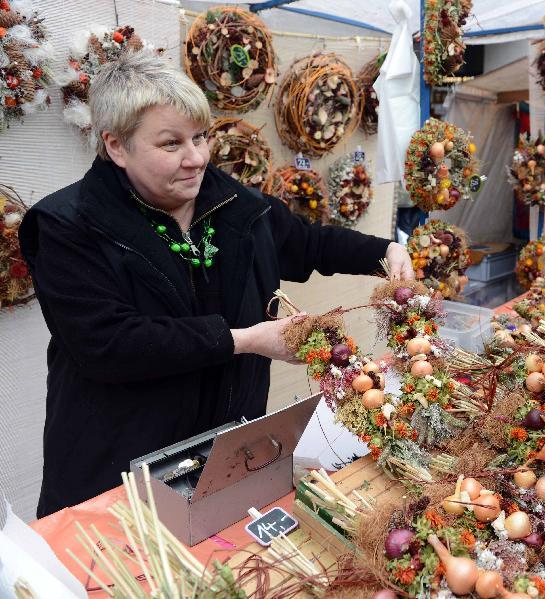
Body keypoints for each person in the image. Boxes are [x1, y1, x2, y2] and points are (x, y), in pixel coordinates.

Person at [19, 51, 414, 518]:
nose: (196, 158)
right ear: (117, 146)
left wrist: (382, 251)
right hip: (118, 469)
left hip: (227, 454)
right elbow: (108, 343)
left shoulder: (236, 206)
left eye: (200, 137)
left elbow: (309, 244)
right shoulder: (68, 226)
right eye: (171, 144)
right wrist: (243, 341)